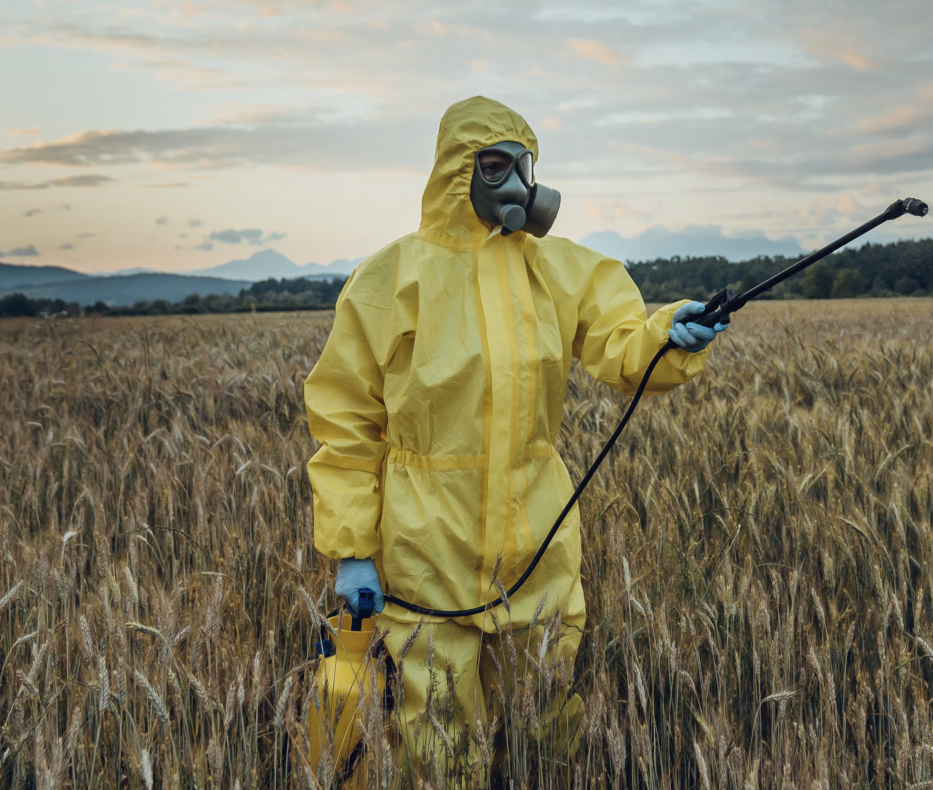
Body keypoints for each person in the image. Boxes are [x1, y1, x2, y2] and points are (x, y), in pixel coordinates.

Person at [302, 96, 727, 783]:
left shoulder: (561, 270)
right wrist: (353, 551)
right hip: (426, 553)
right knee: (438, 742)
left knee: (545, 728)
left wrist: (668, 334)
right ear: (453, 172)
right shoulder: (390, 280)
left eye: (522, 167)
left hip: (538, 546)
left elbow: (623, 346)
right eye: (494, 166)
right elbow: (346, 425)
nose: (515, 186)